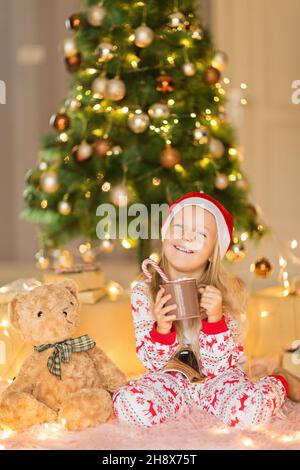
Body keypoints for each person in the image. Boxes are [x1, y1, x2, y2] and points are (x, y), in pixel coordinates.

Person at [113, 192, 300, 428]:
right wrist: (162, 328)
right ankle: (178, 402)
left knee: (248, 413)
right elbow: (153, 364)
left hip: (219, 378)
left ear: (213, 252)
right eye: (178, 227)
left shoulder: (227, 294)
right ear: (165, 235)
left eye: (200, 234)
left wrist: (215, 319)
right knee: (129, 406)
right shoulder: (144, 292)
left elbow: (221, 366)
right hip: (172, 377)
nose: (186, 237)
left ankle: (281, 379)